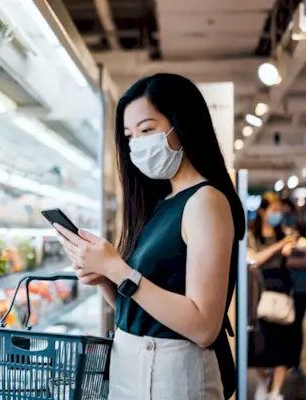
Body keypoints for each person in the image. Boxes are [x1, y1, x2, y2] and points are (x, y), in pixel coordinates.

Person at [53, 73, 245, 399]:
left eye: (146, 129)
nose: (137, 144)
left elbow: (203, 327)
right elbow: (141, 309)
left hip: (173, 375)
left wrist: (119, 269)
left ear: (182, 126)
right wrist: (103, 276)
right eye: (129, 136)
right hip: (132, 365)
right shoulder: (159, 205)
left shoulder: (206, 202)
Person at [247, 197, 297, 400]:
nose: (278, 213)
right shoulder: (251, 236)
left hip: (283, 293)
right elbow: (254, 260)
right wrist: (280, 245)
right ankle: (263, 382)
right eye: (274, 209)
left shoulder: (284, 233)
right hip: (260, 294)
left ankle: (275, 392)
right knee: (260, 348)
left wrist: (289, 245)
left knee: (285, 347)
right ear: (262, 212)